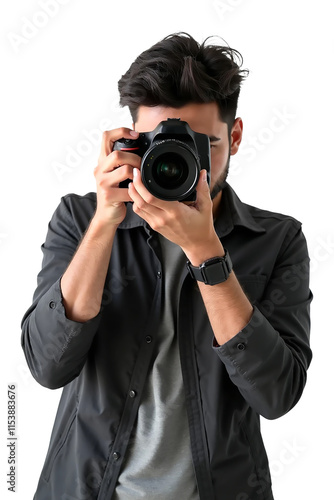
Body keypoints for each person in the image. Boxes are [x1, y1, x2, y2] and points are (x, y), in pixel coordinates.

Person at [21, 32, 312, 500]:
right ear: (131, 139)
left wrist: (207, 255)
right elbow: (48, 365)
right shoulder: (80, 219)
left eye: (203, 146)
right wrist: (103, 225)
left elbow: (276, 394)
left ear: (235, 137)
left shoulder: (276, 240)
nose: (182, 165)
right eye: (162, 145)